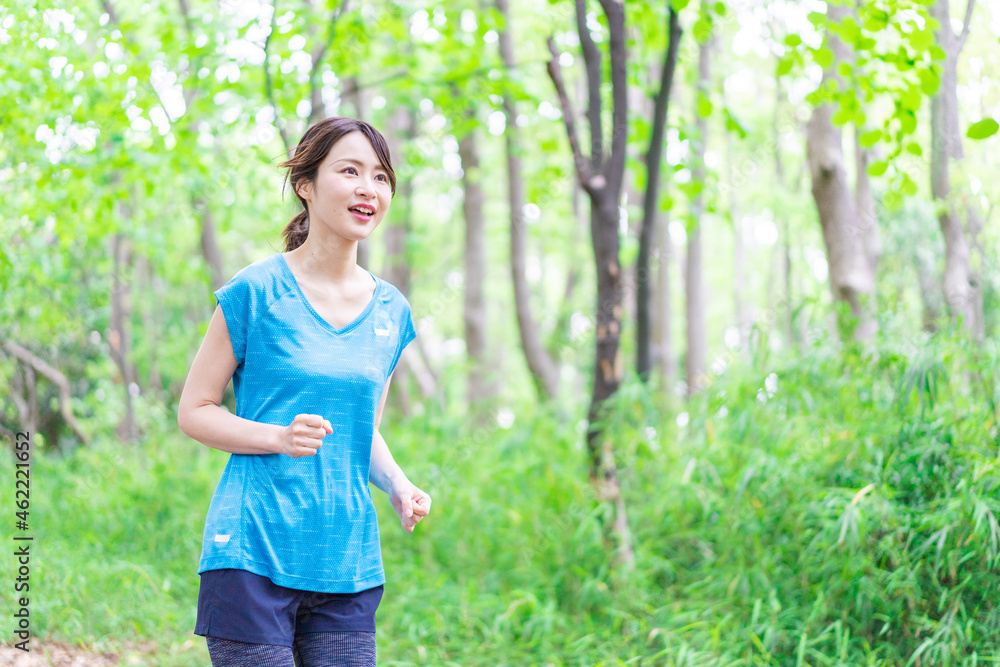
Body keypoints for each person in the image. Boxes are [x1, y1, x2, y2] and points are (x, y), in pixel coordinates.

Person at [177, 116, 431, 667]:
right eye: (350, 171)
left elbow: (363, 431)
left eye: (382, 177)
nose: (369, 188)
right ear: (306, 185)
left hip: (347, 560)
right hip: (252, 552)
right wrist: (277, 436)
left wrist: (397, 483)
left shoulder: (391, 312)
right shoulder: (255, 291)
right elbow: (194, 410)